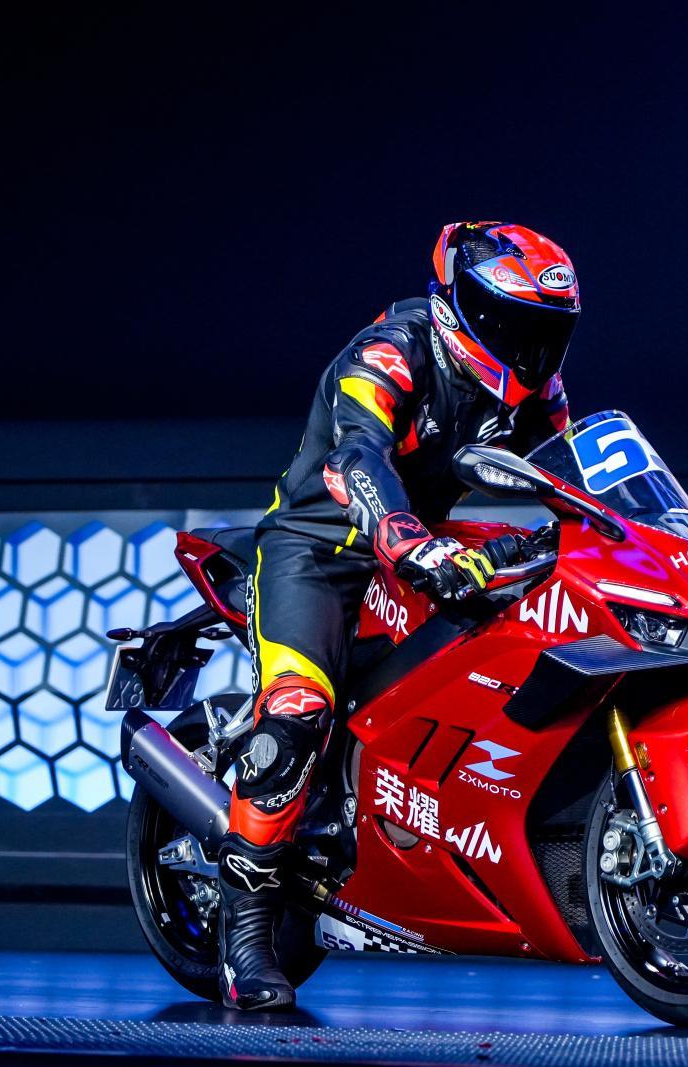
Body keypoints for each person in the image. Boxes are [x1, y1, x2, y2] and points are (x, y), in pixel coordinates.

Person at [216, 221, 582, 1009]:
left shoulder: (538, 391)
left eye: (546, 331)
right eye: (512, 324)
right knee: (298, 710)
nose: (530, 348)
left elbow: (573, 477)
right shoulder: (390, 352)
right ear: (460, 306)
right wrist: (410, 541)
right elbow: (357, 458)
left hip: (422, 545)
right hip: (318, 550)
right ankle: (244, 938)